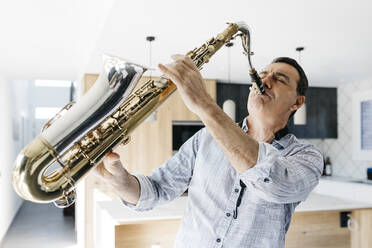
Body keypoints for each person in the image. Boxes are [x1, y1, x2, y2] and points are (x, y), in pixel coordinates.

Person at [94, 55, 324, 248]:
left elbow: (273, 181)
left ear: (297, 102)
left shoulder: (306, 157)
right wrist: (121, 181)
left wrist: (205, 104)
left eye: (279, 78)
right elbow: (156, 189)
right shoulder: (205, 138)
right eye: (263, 74)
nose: (264, 80)